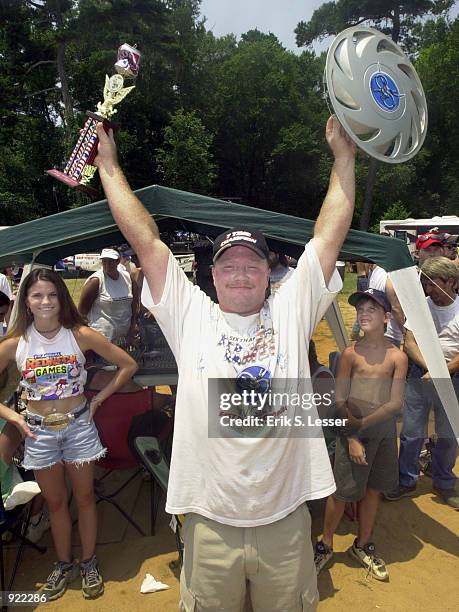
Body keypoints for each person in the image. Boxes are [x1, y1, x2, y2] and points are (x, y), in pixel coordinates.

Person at [93, 115, 355, 610]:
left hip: (285, 521)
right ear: (212, 276)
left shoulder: (291, 309)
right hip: (211, 524)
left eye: (251, 264)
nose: (240, 274)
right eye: (228, 265)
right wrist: (109, 166)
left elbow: (327, 237)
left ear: (269, 272)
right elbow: (147, 242)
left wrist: (343, 157)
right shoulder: (190, 314)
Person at [0, 268, 137, 600]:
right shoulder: (16, 344)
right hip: (38, 434)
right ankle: (64, 563)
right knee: (57, 503)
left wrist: (99, 400)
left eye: (51, 294)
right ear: (26, 302)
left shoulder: (79, 335)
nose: (45, 301)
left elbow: (128, 365)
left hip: (78, 427)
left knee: (86, 498)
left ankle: (88, 562)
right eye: (37, 295)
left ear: (61, 298)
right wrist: (14, 418)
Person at [314, 289, 407, 580]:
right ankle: (326, 543)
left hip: (381, 431)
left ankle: (363, 543)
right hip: (352, 427)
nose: (364, 314)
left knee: (373, 489)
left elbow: (395, 402)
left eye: (372, 309)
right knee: (342, 491)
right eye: (360, 309)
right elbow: (339, 400)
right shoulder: (350, 354)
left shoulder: (397, 356)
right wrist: (352, 437)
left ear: (387, 317)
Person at [386, 257, 459, 508]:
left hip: (453, 378)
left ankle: (444, 481)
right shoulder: (420, 307)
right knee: (411, 432)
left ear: (450, 281)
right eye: (425, 285)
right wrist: (432, 368)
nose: (428, 290)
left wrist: (445, 370)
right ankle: (406, 480)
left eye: (432, 284)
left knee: (449, 435)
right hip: (421, 375)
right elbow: (410, 342)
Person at [78, 248, 139, 345]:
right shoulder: (95, 281)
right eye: (104, 261)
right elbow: (82, 314)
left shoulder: (128, 278)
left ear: (118, 261)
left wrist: (132, 326)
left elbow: (134, 305)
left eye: (111, 261)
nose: (107, 265)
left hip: (124, 337)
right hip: (101, 339)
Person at [350, 262, 370, 340]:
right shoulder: (365, 257)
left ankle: (355, 332)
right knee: (367, 306)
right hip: (364, 278)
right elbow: (367, 267)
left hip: (359, 278)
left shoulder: (359, 258)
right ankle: (357, 332)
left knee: (362, 305)